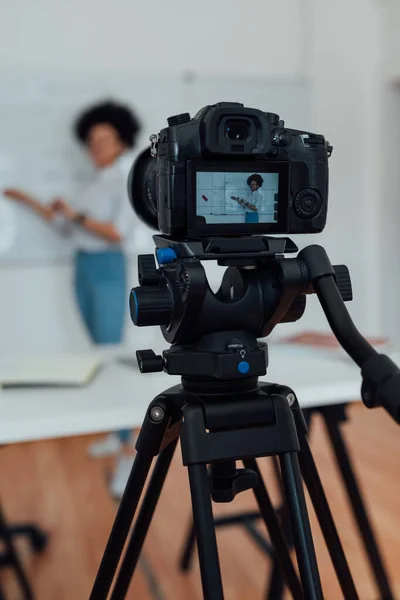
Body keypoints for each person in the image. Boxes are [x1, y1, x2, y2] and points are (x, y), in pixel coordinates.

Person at [4, 101, 140, 492]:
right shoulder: (93, 183)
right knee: (96, 351)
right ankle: (115, 435)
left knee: (111, 355)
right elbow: (65, 226)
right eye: (91, 141)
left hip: (107, 266)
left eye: (104, 140)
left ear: (121, 141)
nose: (96, 147)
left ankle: (129, 451)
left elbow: (118, 233)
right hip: (83, 267)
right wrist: (26, 199)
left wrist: (76, 216)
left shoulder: (122, 181)